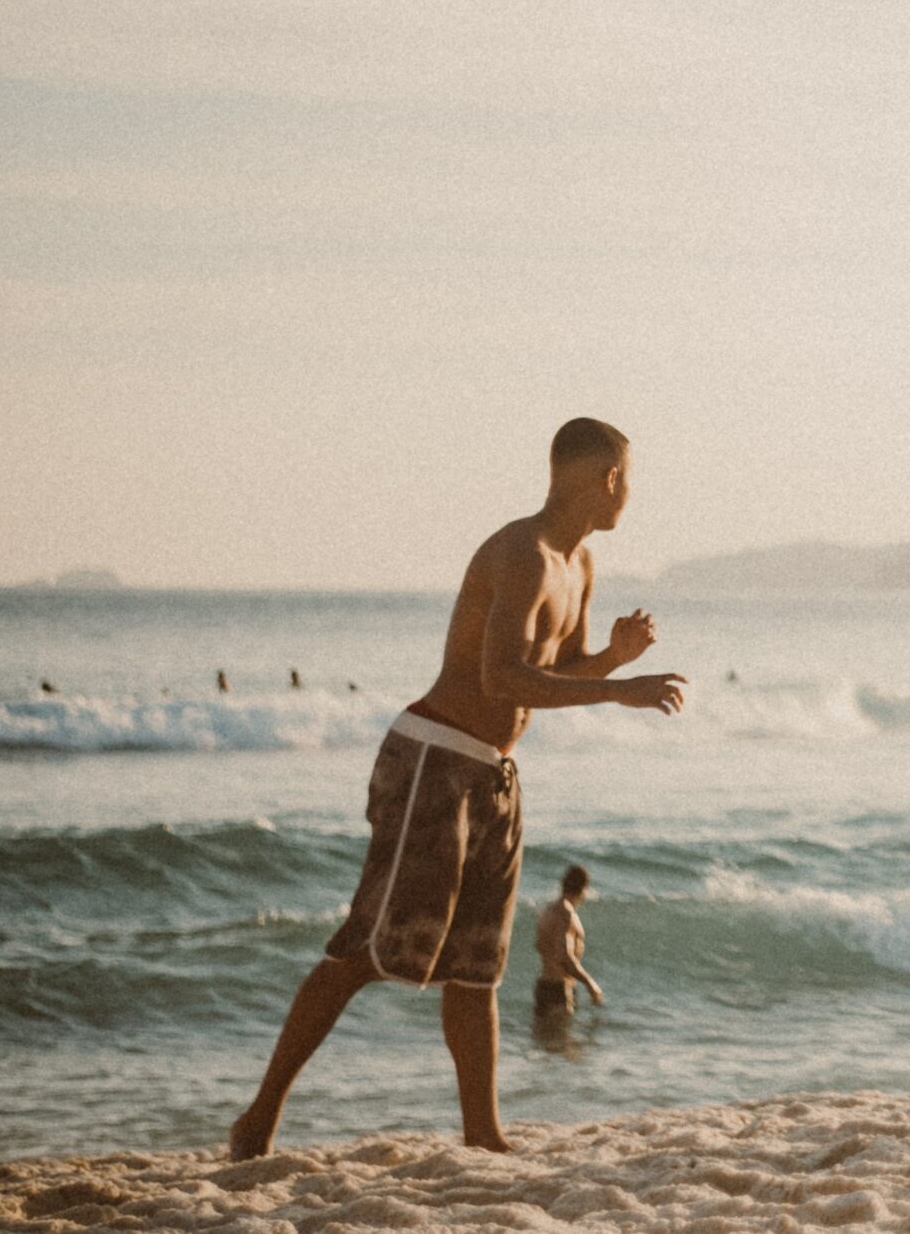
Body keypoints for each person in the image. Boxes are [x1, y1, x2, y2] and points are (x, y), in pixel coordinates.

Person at [228, 418, 688, 1159]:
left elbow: (552, 676)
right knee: (367, 950)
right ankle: (258, 1118)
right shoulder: (523, 554)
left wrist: (608, 658)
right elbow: (498, 677)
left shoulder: (581, 565)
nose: (631, 491)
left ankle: (483, 1132)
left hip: (494, 772)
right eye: (628, 477)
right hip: (433, 762)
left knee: (477, 966)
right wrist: (622, 688)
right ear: (606, 478)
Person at [534, 865, 605, 1020]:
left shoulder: (548, 909)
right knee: (562, 1042)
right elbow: (564, 956)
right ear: (583, 888)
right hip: (558, 990)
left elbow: (539, 945)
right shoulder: (566, 914)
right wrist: (590, 984)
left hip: (543, 985)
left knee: (545, 1040)